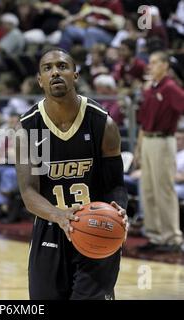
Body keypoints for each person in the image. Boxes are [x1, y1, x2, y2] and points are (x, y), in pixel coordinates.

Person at [15, 48, 128, 300]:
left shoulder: (102, 123)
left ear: (75, 75)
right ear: (40, 80)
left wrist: (119, 208)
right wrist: (61, 216)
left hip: (98, 226)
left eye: (62, 66)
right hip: (51, 226)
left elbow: (116, 185)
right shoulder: (28, 129)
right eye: (48, 68)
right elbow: (29, 192)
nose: (55, 72)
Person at [136, 51, 184, 253]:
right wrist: (138, 147)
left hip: (164, 141)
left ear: (165, 66)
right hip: (148, 140)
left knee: (164, 189)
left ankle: (172, 237)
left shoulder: (170, 88)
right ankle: (155, 235)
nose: (150, 66)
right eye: (150, 62)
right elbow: (143, 122)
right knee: (147, 189)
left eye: (155, 62)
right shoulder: (150, 89)